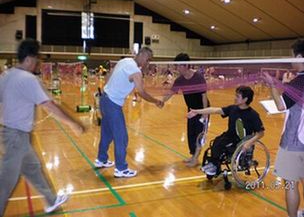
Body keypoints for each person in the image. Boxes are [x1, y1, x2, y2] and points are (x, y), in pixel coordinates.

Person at [0, 39, 84, 216]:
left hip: (15, 135)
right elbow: (50, 106)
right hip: (17, 137)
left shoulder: (7, 75)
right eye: (37, 58)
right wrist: (74, 124)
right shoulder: (29, 79)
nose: (39, 62)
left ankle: (51, 201)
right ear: (30, 59)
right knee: (6, 182)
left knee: (33, 168)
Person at [263, 39, 304, 217]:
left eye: (292, 56)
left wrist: (272, 85)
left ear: (300, 56)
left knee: (290, 183)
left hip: (294, 141)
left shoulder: (299, 81)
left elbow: (280, 106)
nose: (291, 60)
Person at [95, 47, 164, 178]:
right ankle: (121, 168)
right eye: (148, 60)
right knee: (121, 137)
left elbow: (109, 75)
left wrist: (108, 89)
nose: (147, 63)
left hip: (104, 99)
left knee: (107, 133)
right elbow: (141, 92)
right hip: (113, 104)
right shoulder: (135, 71)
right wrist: (156, 101)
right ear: (142, 55)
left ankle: (101, 159)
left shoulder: (124, 61)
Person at [187, 86, 264, 176]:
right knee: (216, 142)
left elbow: (260, 133)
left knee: (220, 145)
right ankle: (214, 164)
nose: (235, 98)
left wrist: (249, 142)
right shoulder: (233, 109)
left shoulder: (253, 115)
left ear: (245, 99)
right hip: (229, 136)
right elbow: (215, 110)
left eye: (238, 96)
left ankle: (214, 166)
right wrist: (197, 111)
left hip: (240, 140)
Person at [162, 53, 209, 167]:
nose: (176, 68)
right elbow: (171, 92)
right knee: (191, 134)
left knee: (199, 134)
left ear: (185, 65)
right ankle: (193, 155)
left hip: (202, 110)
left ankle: (196, 159)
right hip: (191, 110)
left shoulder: (198, 77)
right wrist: (161, 101)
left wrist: (205, 114)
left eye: (178, 66)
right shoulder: (180, 80)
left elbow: (204, 96)